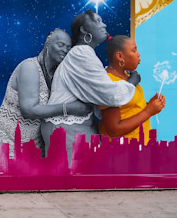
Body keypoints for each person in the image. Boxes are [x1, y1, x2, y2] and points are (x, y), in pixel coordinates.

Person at [41, 10, 139, 163]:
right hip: (66, 129)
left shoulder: (82, 54)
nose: (104, 24)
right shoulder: (81, 53)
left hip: (72, 127)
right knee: (74, 181)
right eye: (98, 21)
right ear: (84, 30)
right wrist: (132, 80)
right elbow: (111, 95)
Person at [0, 28, 91, 157]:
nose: (65, 50)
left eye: (69, 47)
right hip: (13, 138)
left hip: (36, 139)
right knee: (16, 174)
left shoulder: (58, 72)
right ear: (47, 44)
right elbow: (28, 110)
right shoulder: (30, 67)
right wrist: (69, 109)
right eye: (60, 44)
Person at [99, 35, 166, 144]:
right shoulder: (109, 83)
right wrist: (149, 111)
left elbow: (128, 109)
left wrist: (150, 104)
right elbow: (114, 130)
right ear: (120, 56)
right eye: (134, 51)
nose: (138, 54)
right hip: (122, 151)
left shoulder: (127, 76)